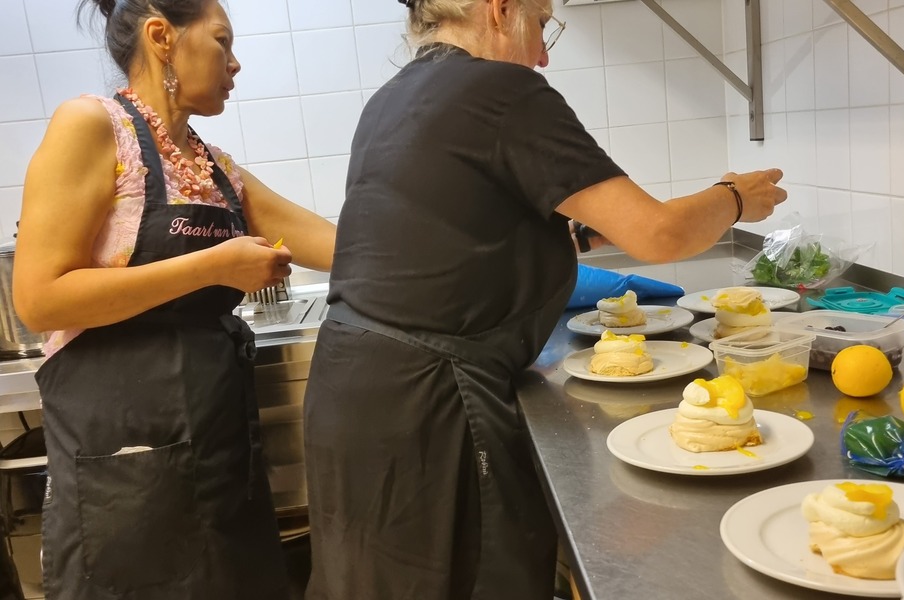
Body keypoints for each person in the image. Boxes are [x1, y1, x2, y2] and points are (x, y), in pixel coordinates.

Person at [301, 0, 786, 598]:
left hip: (353, 393)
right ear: (502, 10)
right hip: (431, 400)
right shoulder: (501, 89)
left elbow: (461, 231)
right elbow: (661, 235)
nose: (545, 53)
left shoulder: (396, 97)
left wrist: (577, 232)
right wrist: (734, 196)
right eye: (544, 24)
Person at [12, 0, 336, 598]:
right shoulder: (91, 126)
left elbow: (333, 244)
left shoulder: (215, 168)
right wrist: (212, 264)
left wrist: (430, 230)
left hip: (219, 455)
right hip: (125, 468)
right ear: (163, 37)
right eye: (222, 42)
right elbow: (40, 298)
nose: (235, 64)